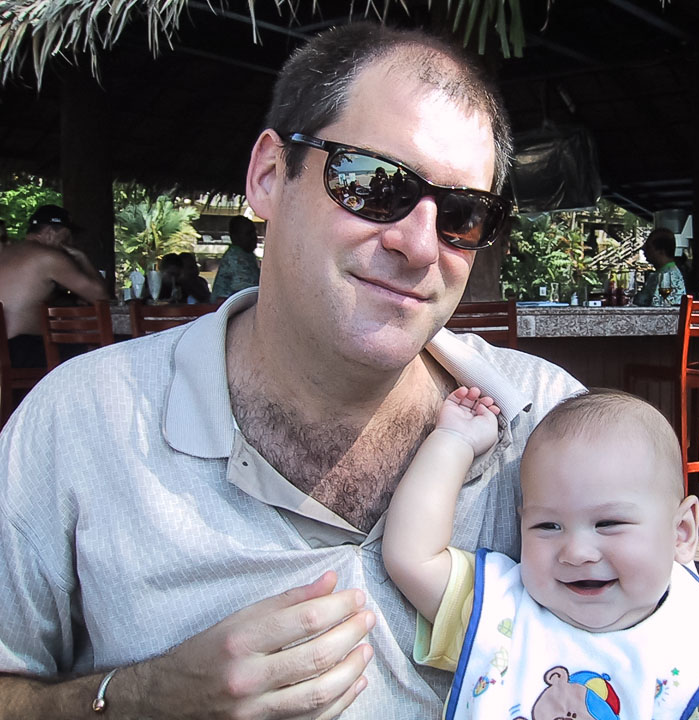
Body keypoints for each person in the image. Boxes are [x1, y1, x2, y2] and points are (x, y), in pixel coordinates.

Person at [0, 23, 584, 720]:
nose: (421, 246)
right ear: (270, 177)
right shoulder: (81, 420)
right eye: (374, 184)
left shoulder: (552, 425)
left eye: (462, 214)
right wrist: (140, 697)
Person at [383, 388, 699, 720]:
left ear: (681, 532)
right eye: (547, 526)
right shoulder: (497, 609)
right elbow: (410, 555)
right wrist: (453, 441)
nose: (577, 551)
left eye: (609, 523)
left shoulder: (696, 630)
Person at [0, 204, 108, 368]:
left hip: (6, 350)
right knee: (97, 352)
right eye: (66, 239)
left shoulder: (6, 252)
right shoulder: (49, 256)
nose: (70, 244)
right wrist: (82, 257)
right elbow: (101, 297)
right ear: (50, 233)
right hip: (23, 350)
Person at [211, 215, 261, 299]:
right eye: (248, 234)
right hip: (228, 303)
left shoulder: (248, 255)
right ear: (235, 237)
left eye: (254, 233)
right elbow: (248, 289)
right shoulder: (235, 256)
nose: (254, 237)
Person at [632, 228, 686, 307]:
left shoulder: (668, 276)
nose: (643, 249)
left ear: (662, 251)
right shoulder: (661, 273)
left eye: (648, 247)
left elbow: (660, 308)